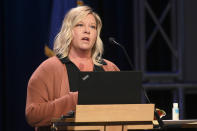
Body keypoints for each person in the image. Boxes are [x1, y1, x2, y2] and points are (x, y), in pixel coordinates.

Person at [25, 5, 120, 130]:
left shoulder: (110, 68)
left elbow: (126, 109)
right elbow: (33, 115)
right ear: (68, 30)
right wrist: (74, 100)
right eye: (80, 25)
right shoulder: (48, 68)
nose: (87, 30)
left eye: (93, 27)